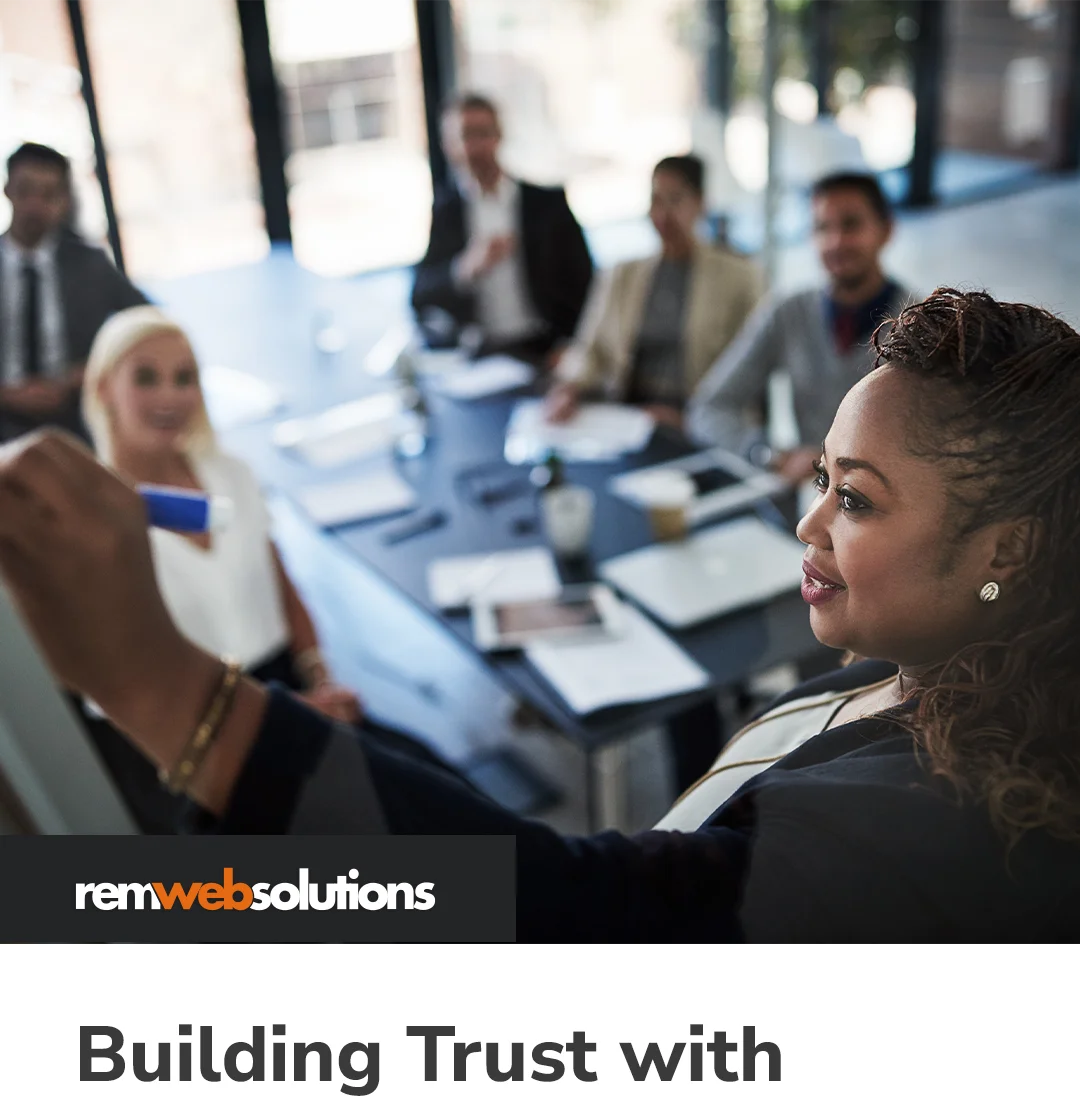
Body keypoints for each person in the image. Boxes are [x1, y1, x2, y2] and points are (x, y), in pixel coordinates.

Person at [2, 290, 1079, 937]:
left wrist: (158, 680)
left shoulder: (943, 835)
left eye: (855, 499)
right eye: (820, 482)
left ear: (1007, 550)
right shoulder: (914, 670)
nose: (810, 529)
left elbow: (582, 921)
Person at [75, 306, 444, 830]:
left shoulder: (231, 475)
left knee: (432, 791)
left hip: (286, 692)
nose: (169, 396)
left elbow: (282, 586)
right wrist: (275, 727)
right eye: (146, 377)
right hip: (190, 743)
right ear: (103, 388)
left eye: (185, 378)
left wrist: (321, 678)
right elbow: (122, 698)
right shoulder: (93, 524)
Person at [688, 172, 916, 484]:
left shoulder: (921, 326)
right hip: (809, 500)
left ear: (886, 230)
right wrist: (767, 453)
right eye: (823, 228)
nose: (836, 242)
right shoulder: (788, 311)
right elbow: (709, 408)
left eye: (851, 225)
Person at [547, 154, 762, 430]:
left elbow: (748, 376)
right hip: (627, 417)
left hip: (695, 422)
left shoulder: (739, 277)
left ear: (700, 204)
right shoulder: (623, 274)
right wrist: (568, 388)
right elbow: (589, 349)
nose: (662, 214)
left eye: (675, 200)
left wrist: (689, 420)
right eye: (656, 201)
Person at [411, 93, 593, 362]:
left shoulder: (546, 204)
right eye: (464, 136)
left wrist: (571, 344)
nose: (474, 148)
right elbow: (421, 294)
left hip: (545, 347)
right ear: (448, 145)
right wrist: (464, 268)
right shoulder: (447, 211)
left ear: (499, 136)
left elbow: (586, 285)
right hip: (482, 354)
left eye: (482, 134)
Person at [0, 142, 147, 442]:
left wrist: (82, 374)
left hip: (77, 414)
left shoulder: (90, 264)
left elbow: (147, 325)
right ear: (7, 190)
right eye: (25, 190)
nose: (34, 206)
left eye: (48, 194)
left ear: (64, 200)